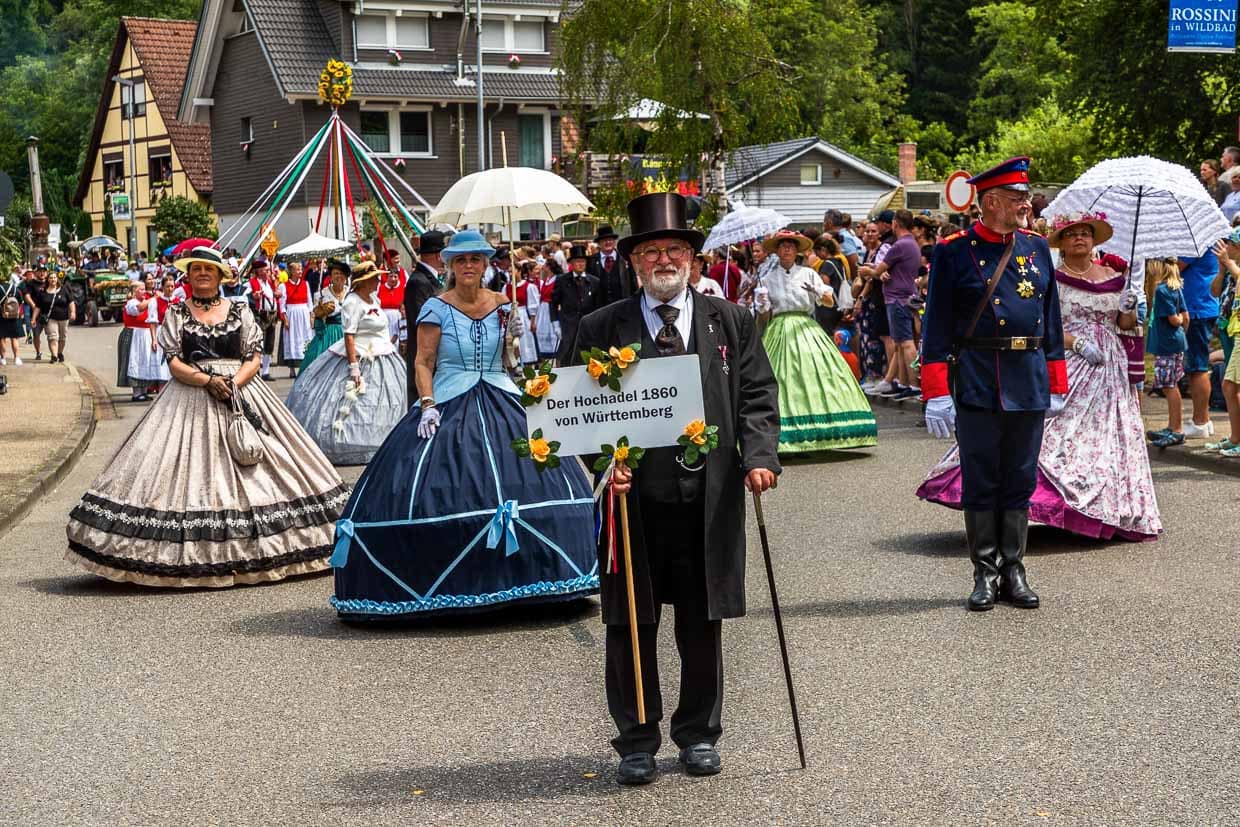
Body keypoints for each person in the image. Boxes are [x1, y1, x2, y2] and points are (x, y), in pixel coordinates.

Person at [569, 192, 780, 786]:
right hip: (633, 502)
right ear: (635, 262)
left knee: (700, 619)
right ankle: (636, 740)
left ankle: (698, 734)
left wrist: (759, 458)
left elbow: (758, 397)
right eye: (652, 251)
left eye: (675, 249)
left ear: (692, 259)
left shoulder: (730, 321)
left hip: (707, 500)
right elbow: (568, 410)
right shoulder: (599, 326)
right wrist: (604, 463)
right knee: (629, 623)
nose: (664, 259)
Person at [328, 230, 598, 618]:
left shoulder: (504, 304)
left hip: (501, 389)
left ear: (486, 264)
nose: (469, 266)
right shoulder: (436, 307)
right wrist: (427, 404)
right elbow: (422, 362)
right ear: (450, 265)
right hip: (450, 394)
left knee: (529, 467)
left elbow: (508, 360)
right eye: (461, 260)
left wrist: (515, 343)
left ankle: (535, 573)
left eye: (476, 259)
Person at [65, 246, 346, 587]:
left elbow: (254, 359)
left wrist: (232, 384)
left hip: (240, 391)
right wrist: (207, 381)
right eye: (196, 268)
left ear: (220, 276)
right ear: (189, 274)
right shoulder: (177, 314)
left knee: (271, 463)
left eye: (208, 269)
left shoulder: (239, 310)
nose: (202, 273)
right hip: (189, 395)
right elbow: (173, 363)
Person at [920, 210, 1161, 541]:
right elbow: (1042, 324)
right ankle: (1019, 522)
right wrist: (1076, 343)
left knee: (1109, 436)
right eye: (1072, 233)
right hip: (1072, 360)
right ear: (1061, 242)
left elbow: (1122, 324)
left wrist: (1130, 305)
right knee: (1051, 436)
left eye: (1086, 233)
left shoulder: (1113, 275)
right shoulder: (1052, 274)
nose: (1080, 238)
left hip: (1110, 367)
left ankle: (1107, 510)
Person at [916, 157, 1069, 612]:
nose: (1027, 203)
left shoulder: (1037, 248)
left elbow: (1053, 320)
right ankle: (984, 571)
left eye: (1026, 197)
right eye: (1018, 198)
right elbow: (936, 324)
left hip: (1028, 374)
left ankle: (1014, 568)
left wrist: (1056, 379)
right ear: (991, 202)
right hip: (979, 376)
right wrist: (936, 390)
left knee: (1020, 477)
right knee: (982, 477)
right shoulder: (952, 250)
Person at [757, 229, 877, 452]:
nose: (787, 249)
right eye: (783, 246)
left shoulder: (808, 273)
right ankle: (781, 432)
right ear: (777, 251)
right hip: (779, 327)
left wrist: (818, 292)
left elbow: (830, 302)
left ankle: (824, 430)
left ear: (797, 251)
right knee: (781, 377)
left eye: (791, 246)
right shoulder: (767, 279)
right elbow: (764, 316)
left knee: (815, 374)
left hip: (806, 327)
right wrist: (762, 305)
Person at [286, 262, 407, 465]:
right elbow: (349, 335)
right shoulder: (353, 302)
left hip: (382, 354)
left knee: (385, 400)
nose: (379, 281)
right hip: (359, 354)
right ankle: (350, 444)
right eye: (375, 278)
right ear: (364, 281)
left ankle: (385, 441)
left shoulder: (374, 299)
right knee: (351, 401)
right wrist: (354, 368)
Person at [859, 210, 921, 399]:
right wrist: (879, 271)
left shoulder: (899, 245)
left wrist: (867, 270)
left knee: (906, 343)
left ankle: (914, 384)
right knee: (901, 343)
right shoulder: (912, 244)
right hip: (905, 295)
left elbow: (879, 269)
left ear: (895, 223)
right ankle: (903, 382)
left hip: (897, 298)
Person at [1177, 244, 1222, 439]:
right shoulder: (1211, 240)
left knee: (1197, 367)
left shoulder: (1196, 244)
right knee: (1198, 365)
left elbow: (1175, 267)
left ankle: (1200, 421)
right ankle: (1204, 418)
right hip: (1203, 305)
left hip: (1196, 308)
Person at [1146, 258, 1190, 448]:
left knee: (1169, 386)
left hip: (1166, 345)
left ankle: (1177, 429)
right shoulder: (1175, 288)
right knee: (1169, 384)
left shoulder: (1162, 291)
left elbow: (1175, 319)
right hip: (1174, 342)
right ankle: (1173, 425)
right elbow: (1186, 316)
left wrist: (1178, 322)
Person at [1206, 236, 1240, 456]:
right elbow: (1214, 292)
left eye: (1228, 243)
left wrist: (1229, 264)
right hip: (1229, 327)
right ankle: (1235, 437)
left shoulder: (1235, 269)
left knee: (1231, 385)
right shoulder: (1229, 270)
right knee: (1230, 384)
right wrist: (1221, 270)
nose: (1223, 248)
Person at [405, 230, 445, 409]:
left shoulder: (430, 280)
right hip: (426, 356)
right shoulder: (419, 282)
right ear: (438, 256)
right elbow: (422, 321)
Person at [550, 244, 598, 364]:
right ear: (571, 263)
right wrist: (555, 324)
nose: (580, 264)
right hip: (568, 327)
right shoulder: (562, 280)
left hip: (588, 327)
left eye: (583, 261)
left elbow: (599, 306)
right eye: (577, 261)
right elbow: (553, 304)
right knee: (567, 358)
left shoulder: (594, 281)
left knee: (587, 358)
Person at [301, 259, 350, 371]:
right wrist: (321, 311)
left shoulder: (351, 293)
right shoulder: (322, 294)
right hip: (328, 333)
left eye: (342, 274)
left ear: (346, 277)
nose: (339, 276)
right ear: (331, 277)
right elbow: (316, 316)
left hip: (348, 332)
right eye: (336, 273)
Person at [245, 259, 282, 381]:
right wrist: (253, 296)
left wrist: (277, 294)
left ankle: (266, 371)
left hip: (272, 315)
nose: (267, 272)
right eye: (265, 270)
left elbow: (273, 296)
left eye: (267, 270)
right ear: (258, 271)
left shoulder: (270, 283)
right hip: (260, 316)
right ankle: (257, 370)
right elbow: (244, 296)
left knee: (269, 344)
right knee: (259, 343)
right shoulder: (250, 283)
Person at [32, 271, 76, 364]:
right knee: (53, 337)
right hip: (50, 318)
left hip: (64, 318)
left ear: (57, 279)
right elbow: (37, 307)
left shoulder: (64, 289)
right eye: (51, 278)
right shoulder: (43, 292)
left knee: (62, 338)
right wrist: (33, 318)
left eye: (54, 278)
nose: (53, 279)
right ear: (48, 280)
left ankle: (59, 353)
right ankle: (54, 356)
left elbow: (71, 302)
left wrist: (73, 312)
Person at [589, 224, 636, 307]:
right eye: (604, 240)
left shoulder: (625, 258)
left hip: (622, 306)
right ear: (599, 243)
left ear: (615, 241)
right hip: (599, 308)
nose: (608, 242)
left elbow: (633, 283)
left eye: (610, 239)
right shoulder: (591, 261)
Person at [280, 261, 313, 378]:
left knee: (306, 338)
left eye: (301, 269)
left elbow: (309, 301)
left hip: (303, 313)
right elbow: (282, 305)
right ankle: (292, 368)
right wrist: (285, 319)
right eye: (297, 270)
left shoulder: (305, 284)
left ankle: (305, 366)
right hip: (292, 314)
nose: (300, 272)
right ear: (291, 272)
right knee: (292, 339)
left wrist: (311, 315)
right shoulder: (284, 286)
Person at [513, 260, 541, 365]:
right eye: (509, 272)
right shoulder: (507, 287)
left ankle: (528, 363)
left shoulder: (528, 286)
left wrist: (533, 321)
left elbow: (533, 305)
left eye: (513, 271)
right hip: (512, 316)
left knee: (525, 341)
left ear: (519, 271)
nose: (511, 274)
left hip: (524, 315)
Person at [534, 258, 562, 360]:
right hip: (543, 310)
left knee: (553, 333)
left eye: (545, 265)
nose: (543, 267)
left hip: (552, 308)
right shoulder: (546, 280)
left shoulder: (557, 279)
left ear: (549, 267)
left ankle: (556, 356)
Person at [377, 263, 406, 348]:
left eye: (395, 276)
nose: (393, 279)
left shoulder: (402, 288)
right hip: (383, 317)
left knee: (396, 343)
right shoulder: (380, 288)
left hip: (397, 318)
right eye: (391, 276)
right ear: (387, 277)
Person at [0, 272, 23, 365]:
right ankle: (17, 358)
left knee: (2, 338)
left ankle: (3, 359)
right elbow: (20, 301)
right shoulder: (14, 288)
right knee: (14, 338)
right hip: (14, 316)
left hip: (1, 316)